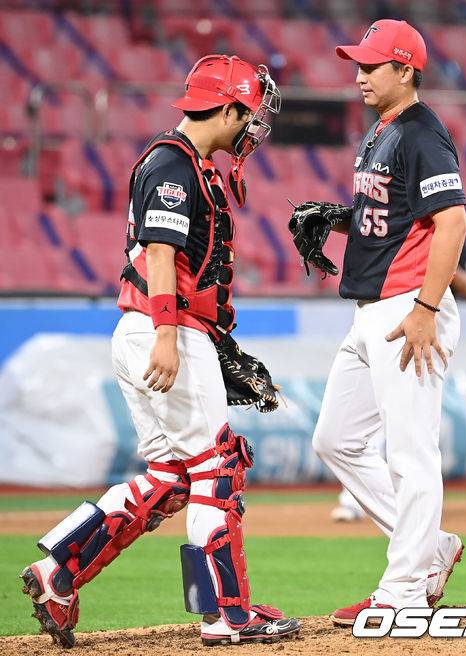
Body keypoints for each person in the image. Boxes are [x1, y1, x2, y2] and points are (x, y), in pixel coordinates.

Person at [20, 54, 300, 647]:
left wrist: (211, 343)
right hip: (160, 328)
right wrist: (171, 336)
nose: (254, 127)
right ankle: (225, 615)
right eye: (250, 114)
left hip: (145, 329)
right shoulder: (174, 163)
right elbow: (161, 255)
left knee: (171, 478)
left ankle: (59, 571)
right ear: (226, 108)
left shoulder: (183, 162)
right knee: (217, 468)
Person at [290, 20, 466, 624]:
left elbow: (453, 222)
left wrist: (426, 308)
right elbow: (389, 216)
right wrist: (336, 218)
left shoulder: (421, 133)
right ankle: (431, 549)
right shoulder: (380, 131)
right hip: (371, 311)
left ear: (406, 70)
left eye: (372, 65)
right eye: (358, 64)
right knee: (334, 439)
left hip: (408, 309)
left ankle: (404, 590)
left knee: (410, 453)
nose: (360, 74)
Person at [330, 239, 466, 522]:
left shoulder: (448, 229)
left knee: (407, 439)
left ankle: (419, 536)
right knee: (345, 437)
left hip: (426, 319)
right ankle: (422, 536)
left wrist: (437, 256)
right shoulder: (404, 223)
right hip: (390, 313)